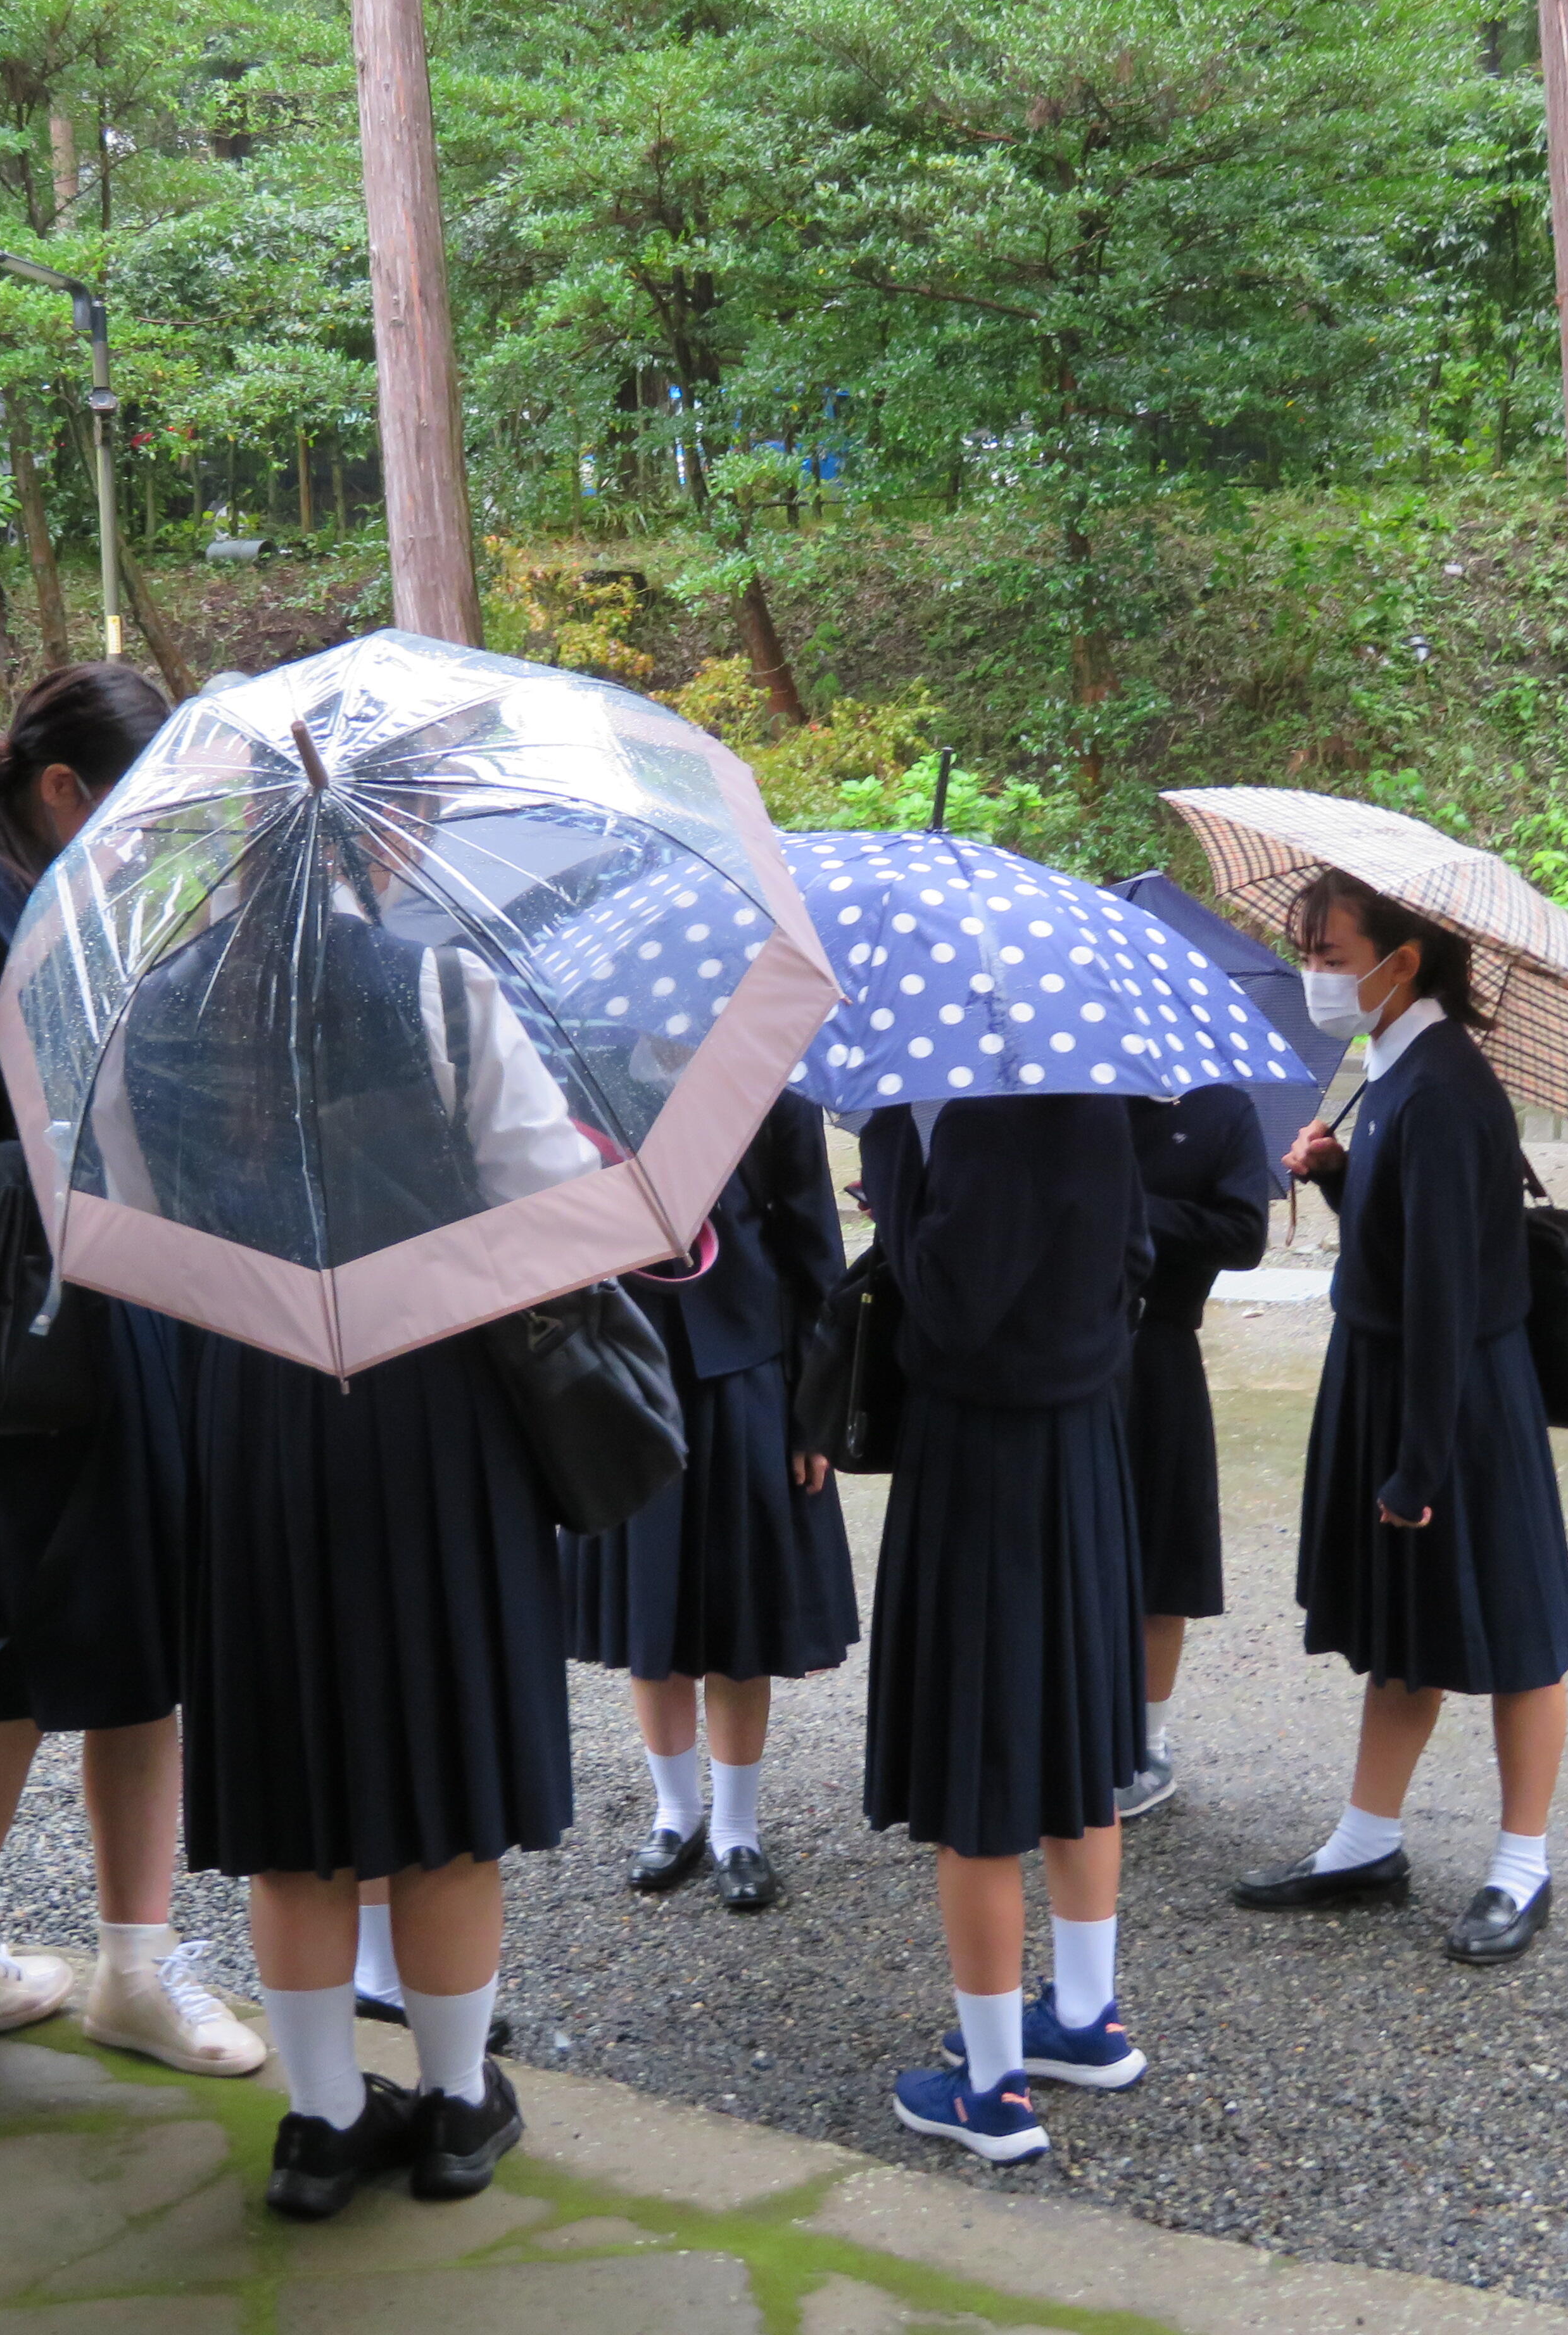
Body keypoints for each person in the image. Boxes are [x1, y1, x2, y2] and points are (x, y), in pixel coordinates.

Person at [122, 816, 595, 2222]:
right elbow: (546, 1200)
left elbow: (144, 1229)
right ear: (386, 841)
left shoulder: (155, 1007)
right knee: (442, 1791)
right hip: (436, 1418)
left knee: (294, 1798)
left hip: (251, 1422)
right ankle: (456, 2110)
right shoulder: (444, 988)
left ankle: (323, 2124)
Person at [0, 661, 262, 2077]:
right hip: (52, 1324)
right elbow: (93, 1081)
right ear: (60, 789)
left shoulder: (0, 886)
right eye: (135, 809)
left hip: (75, 1313)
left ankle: (35, 1967)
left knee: (108, 1656)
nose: (146, 838)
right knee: (30, 1661)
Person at [1229, 868, 1568, 1967]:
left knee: (1515, 1632)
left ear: (1401, 960)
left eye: (1329, 955)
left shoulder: (1442, 1090)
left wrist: (1415, 1468)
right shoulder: (1391, 1068)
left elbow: (1440, 1294)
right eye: (1309, 951)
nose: (1315, 974)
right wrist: (1337, 1176)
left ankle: (1522, 1863)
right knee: (1403, 1632)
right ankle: (1364, 1841)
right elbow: (1403, 1236)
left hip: (1453, 1400)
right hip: (1394, 1379)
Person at [861, 1094, 1153, 2165]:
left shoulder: (975, 1119)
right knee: (1077, 1744)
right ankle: (1084, 2015)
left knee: (975, 1774)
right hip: (1081, 1443)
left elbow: (947, 1305)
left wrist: (891, 1160)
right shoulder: (1095, 1102)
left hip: (981, 1461)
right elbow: (1135, 1256)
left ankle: (989, 2088)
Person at [561, 1089, 856, 1910]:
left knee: (739, 1612)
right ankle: (675, 1813)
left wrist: (813, 1416)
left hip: (747, 1374)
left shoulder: (774, 1094)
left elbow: (816, 1258)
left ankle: (736, 1828)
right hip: (624, 1371)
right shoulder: (591, 1075)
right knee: (653, 1611)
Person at [1114, 1082, 1274, 1819]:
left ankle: (1148, 1743)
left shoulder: (1222, 1110)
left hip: (1161, 1346)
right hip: (1063, 1346)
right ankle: (1065, 1722)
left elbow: (1243, 1236)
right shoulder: (1078, 1090)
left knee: (1161, 1554)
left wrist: (1134, 1210)